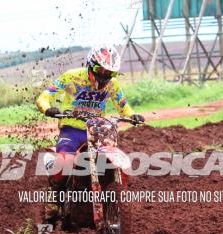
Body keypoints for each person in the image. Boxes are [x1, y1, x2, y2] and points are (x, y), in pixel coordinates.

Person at [35, 44, 144, 220]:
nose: (103, 75)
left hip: (98, 130)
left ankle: (115, 199)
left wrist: (133, 116)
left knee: (112, 160)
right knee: (65, 161)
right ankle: (54, 197)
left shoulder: (112, 85)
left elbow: (123, 105)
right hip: (72, 129)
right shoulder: (71, 76)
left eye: (109, 72)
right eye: (99, 69)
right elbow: (44, 96)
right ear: (89, 65)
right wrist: (48, 109)